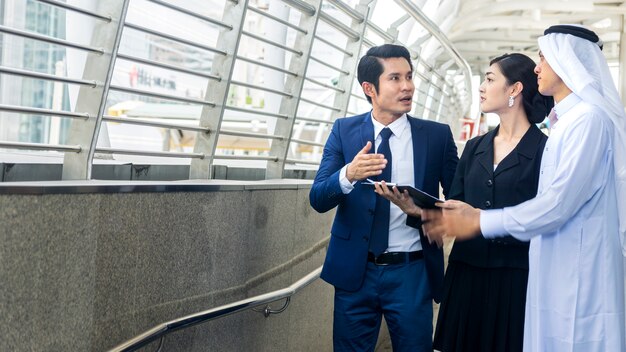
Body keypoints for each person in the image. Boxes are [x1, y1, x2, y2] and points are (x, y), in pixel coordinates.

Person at [422, 25, 626, 351]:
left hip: (577, 277)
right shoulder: (568, 123)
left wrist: (480, 220)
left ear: (567, 60)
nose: (537, 67)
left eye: (544, 57)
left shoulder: (588, 120)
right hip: (554, 271)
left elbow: (557, 204)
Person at [309, 44, 458, 351]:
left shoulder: (437, 136)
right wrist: (348, 174)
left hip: (412, 273)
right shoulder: (344, 131)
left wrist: (417, 210)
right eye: (395, 78)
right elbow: (318, 198)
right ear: (369, 88)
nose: (408, 86)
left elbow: (460, 205)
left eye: (409, 76)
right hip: (355, 273)